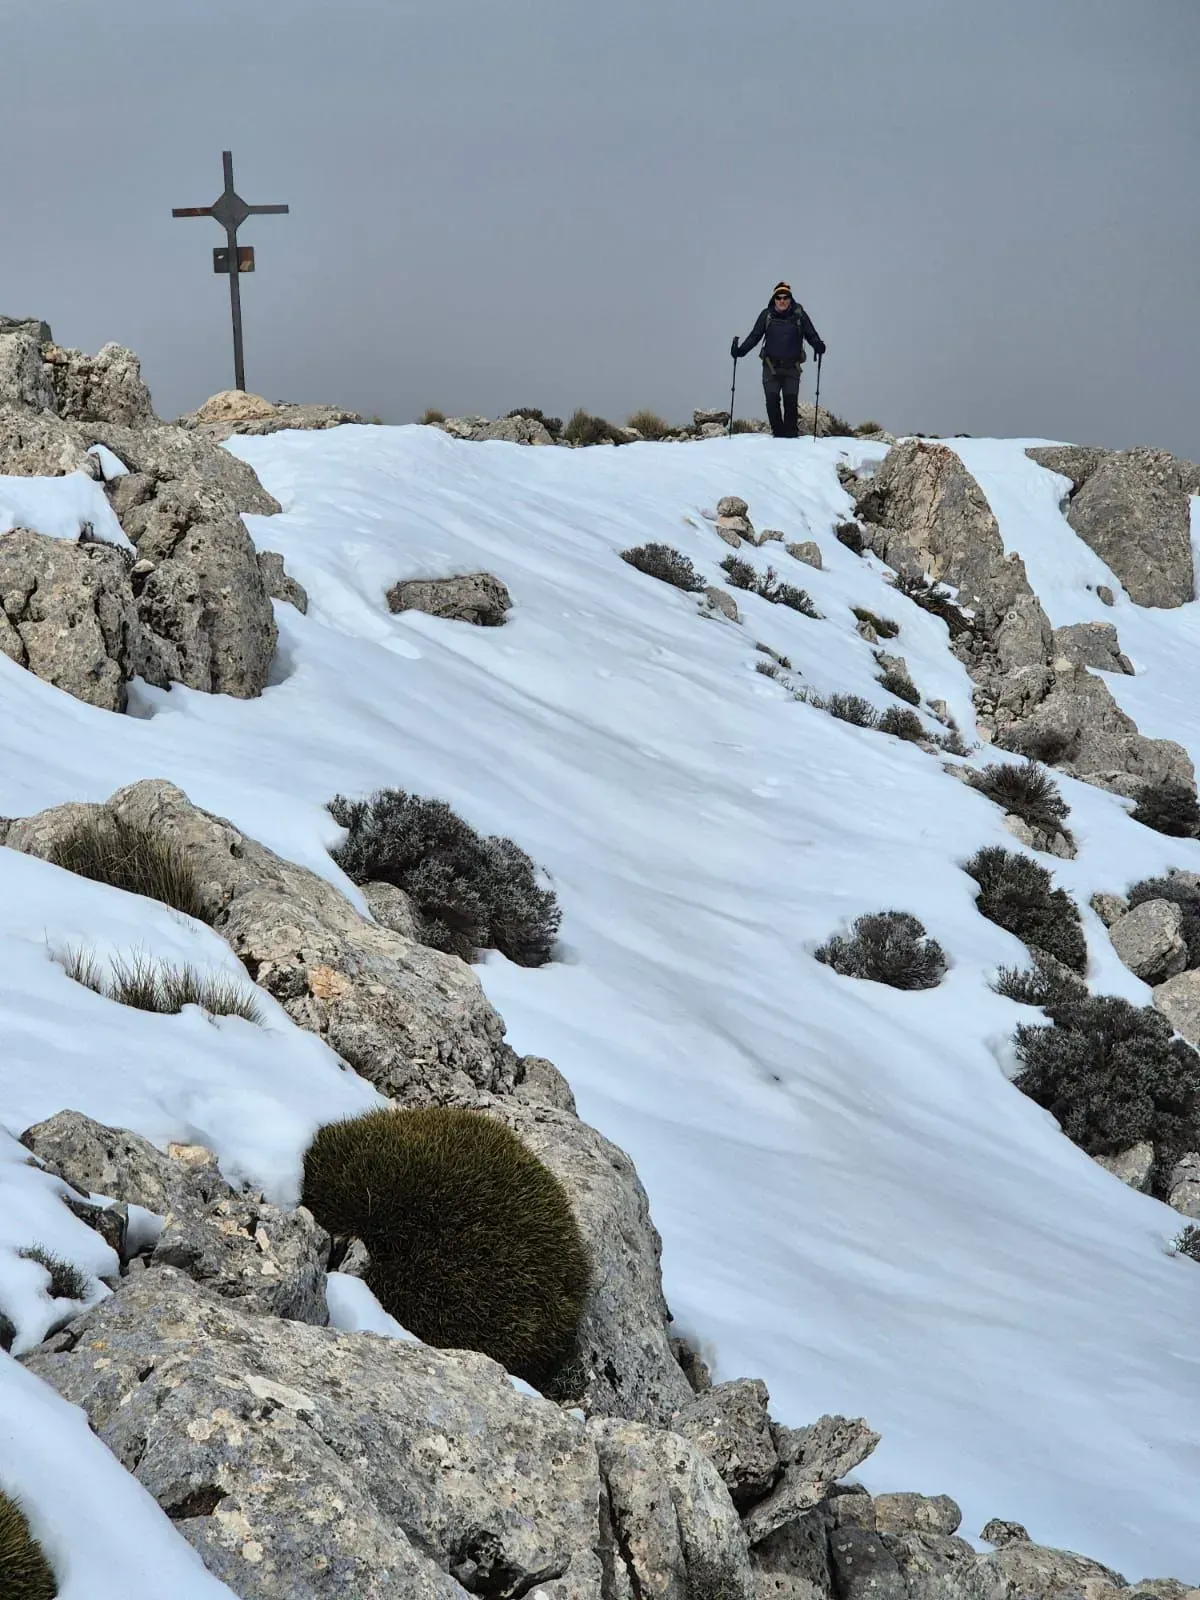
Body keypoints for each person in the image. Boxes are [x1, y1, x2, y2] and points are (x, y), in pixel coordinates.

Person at [731, 283, 825, 439]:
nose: (782, 301)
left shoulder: (799, 315)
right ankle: (778, 436)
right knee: (772, 402)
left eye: (785, 297)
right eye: (778, 297)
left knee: (790, 403)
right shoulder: (766, 315)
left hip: (792, 368)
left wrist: (819, 346)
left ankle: (790, 436)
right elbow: (754, 336)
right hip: (770, 367)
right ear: (774, 299)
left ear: (790, 298)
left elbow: (811, 334)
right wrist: (740, 352)